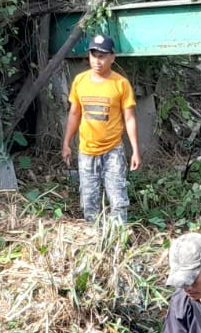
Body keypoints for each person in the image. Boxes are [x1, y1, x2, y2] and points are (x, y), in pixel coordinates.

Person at [61, 33, 142, 225]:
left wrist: (135, 151)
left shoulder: (121, 84)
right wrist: (66, 143)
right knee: (89, 199)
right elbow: (74, 114)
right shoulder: (80, 81)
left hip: (113, 150)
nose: (97, 61)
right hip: (86, 151)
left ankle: (118, 237)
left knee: (117, 198)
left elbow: (129, 118)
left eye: (102, 56)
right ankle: (94, 235)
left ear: (112, 58)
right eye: (94, 55)